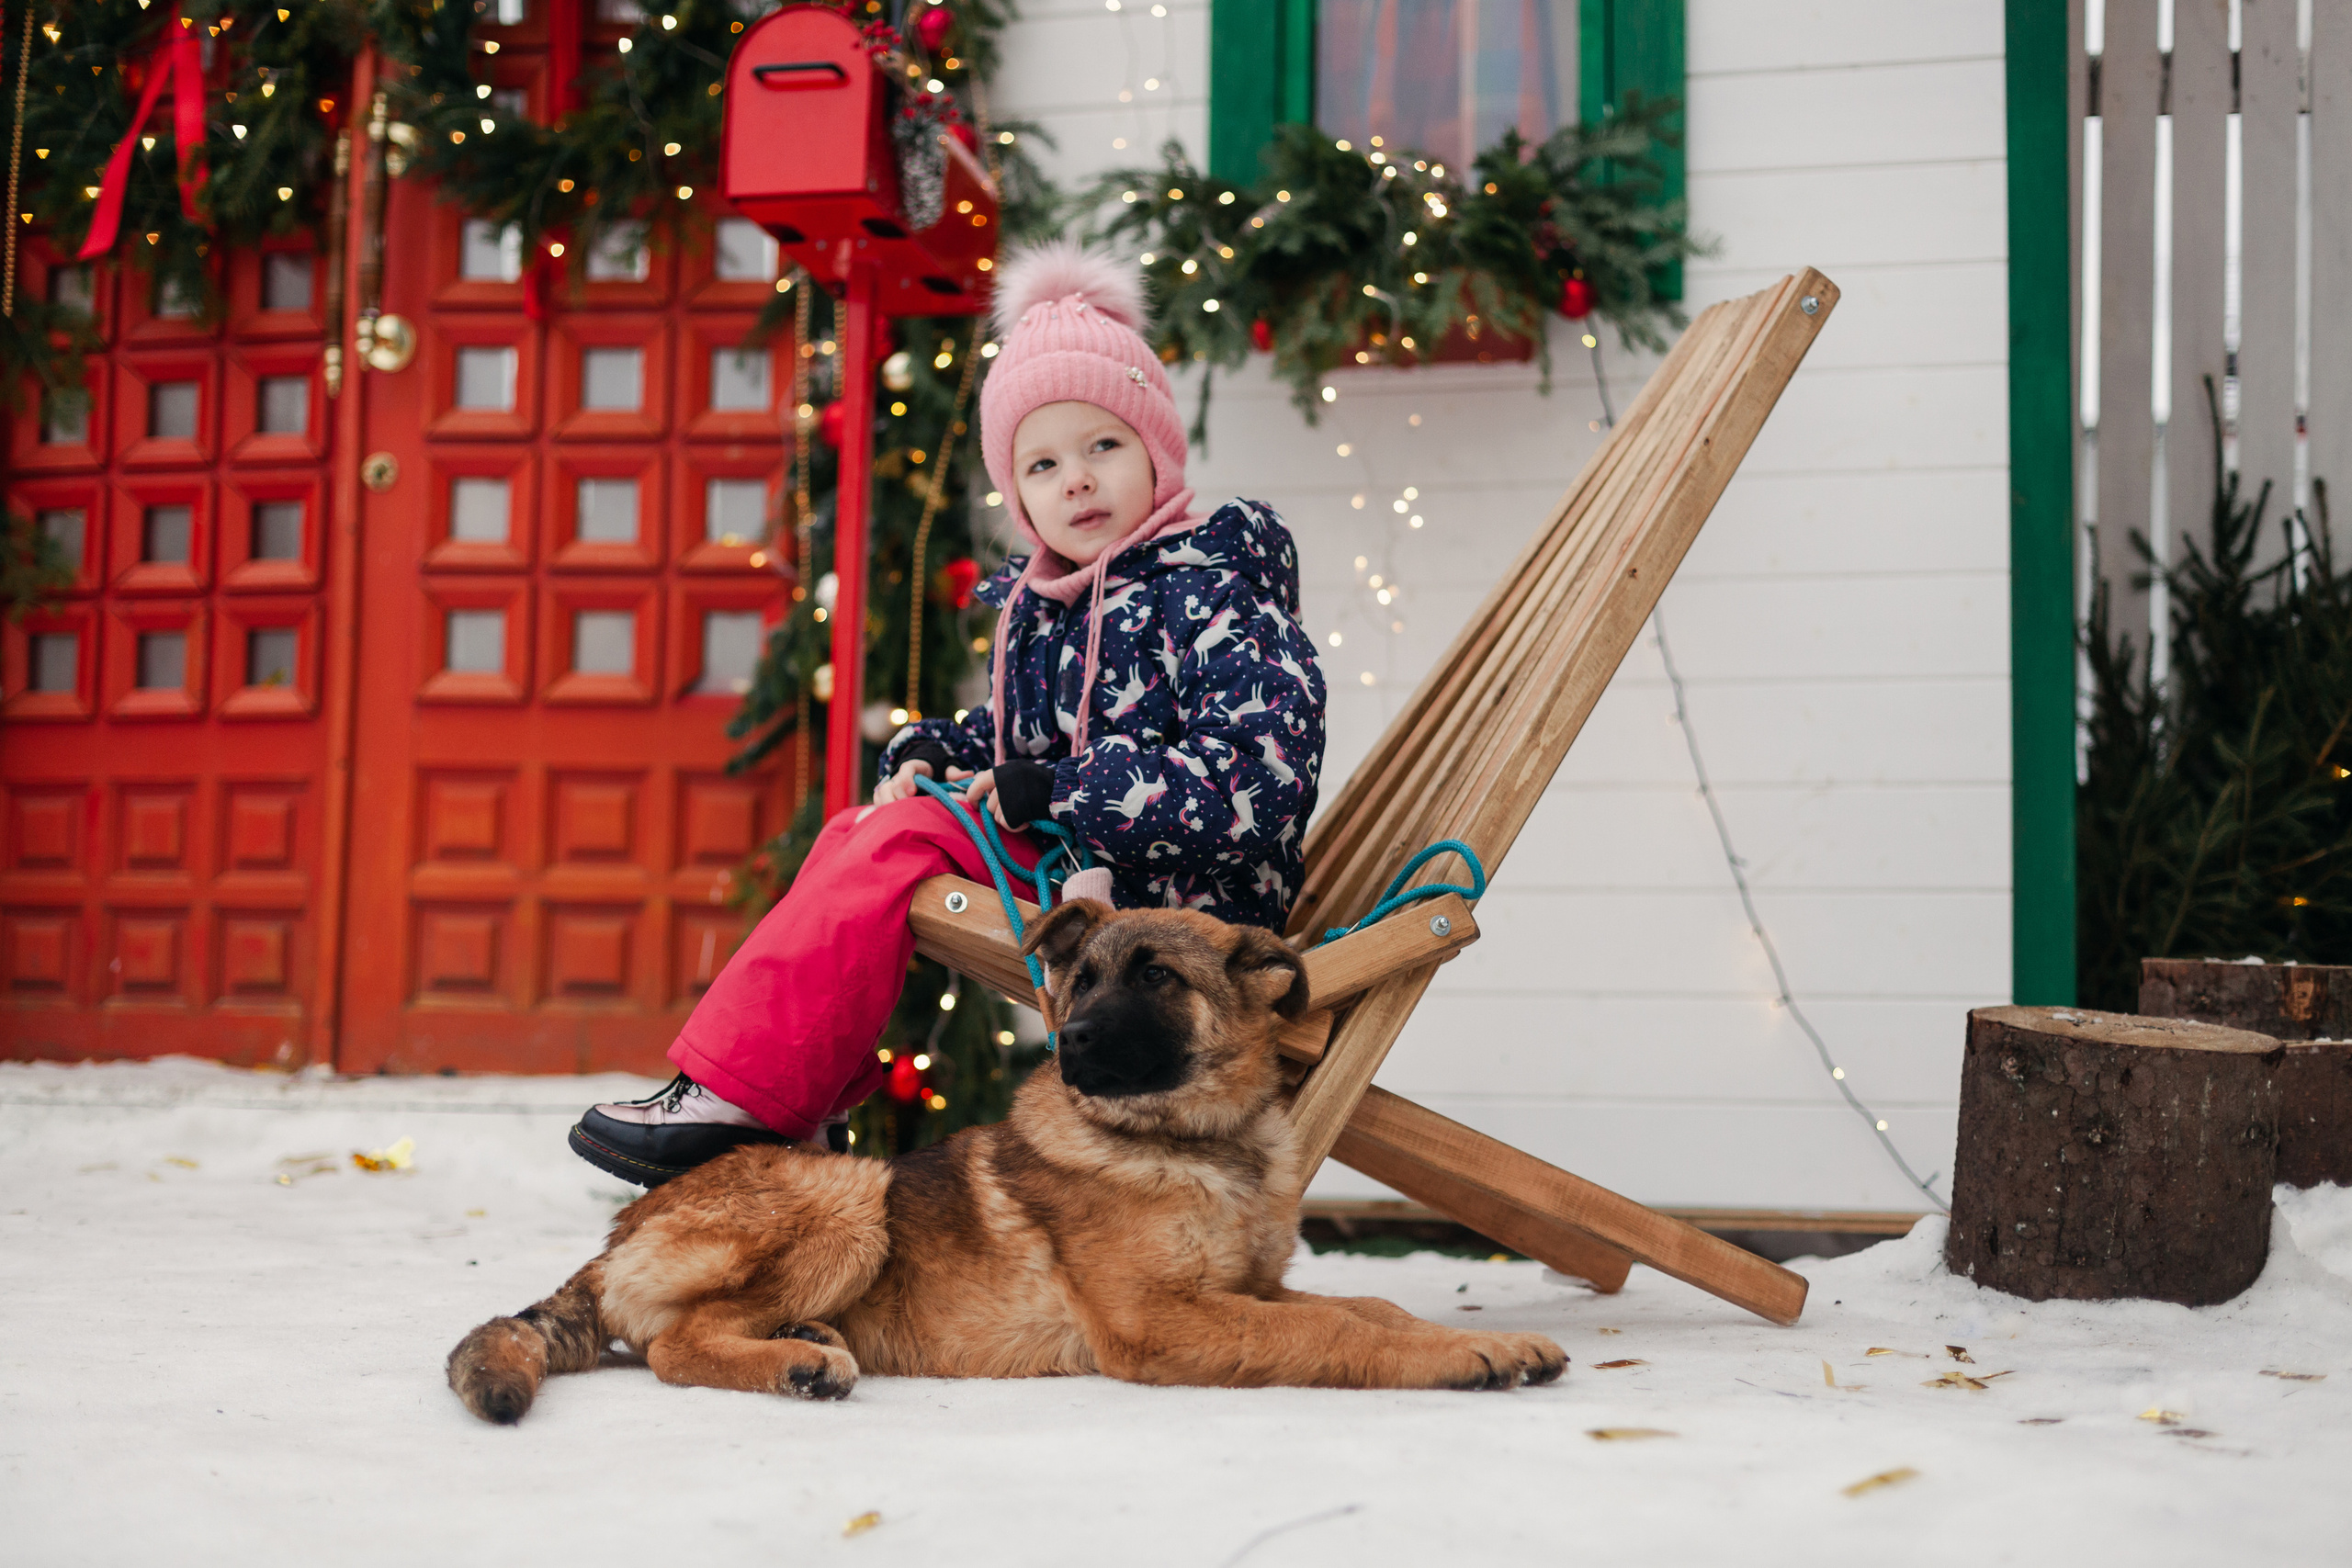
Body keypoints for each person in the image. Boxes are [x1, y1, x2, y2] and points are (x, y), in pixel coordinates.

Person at [568, 242, 1329, 1186]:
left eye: (1104, 446)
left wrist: (1056, 788)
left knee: (895, 845)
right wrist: (948, 746)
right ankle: (772, 1094)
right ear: (1018, 495)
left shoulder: (1216, 596)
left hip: (1189, 904)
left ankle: (748, 1097)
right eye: (1042, 464)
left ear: (1157, 453)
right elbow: (1029, 745)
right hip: (1087, 859)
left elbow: (1254, 789)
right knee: (873, 825)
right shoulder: (1053, 607)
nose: (1076, 481)